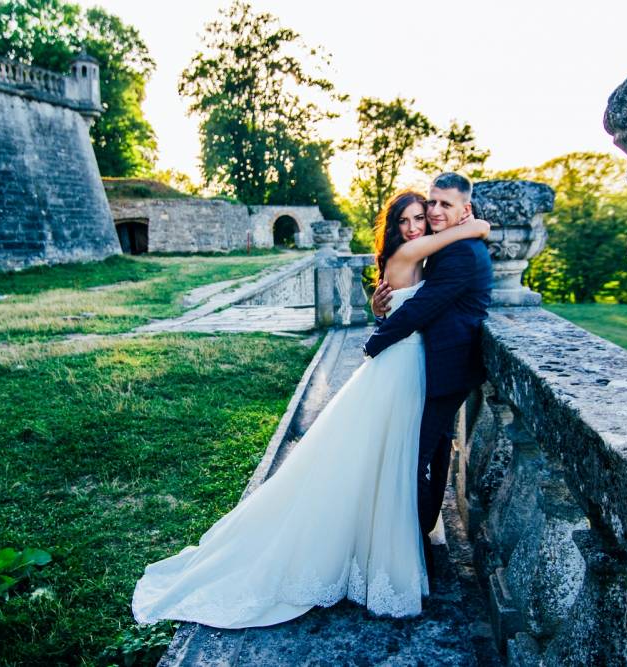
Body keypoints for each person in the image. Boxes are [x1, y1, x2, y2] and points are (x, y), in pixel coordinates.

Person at [131, 188, 490, 629]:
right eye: (406, 220)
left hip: (411, 366)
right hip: (397, 366)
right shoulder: (411, 252)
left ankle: (378, 543)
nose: (416, 226)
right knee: (392, 457)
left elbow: (413, 299)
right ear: (396, 228)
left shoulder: (423, 258)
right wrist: (475, 225)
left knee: (388, 459)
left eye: (422, 217)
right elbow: (431, 266)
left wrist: (379, 309)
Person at [364, 172, 493, 581]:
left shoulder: (459, 252)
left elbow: (422, 307)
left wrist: (375, 340)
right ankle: (417, 542)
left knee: (417, 456)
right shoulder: (447, 243)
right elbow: (408, 296)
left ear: (464, 209)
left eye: (443, 205)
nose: (434, 212)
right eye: (431, 203)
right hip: (429, 364)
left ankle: (414, 545)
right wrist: (380, 312)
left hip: (445, 366)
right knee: (427, 454)